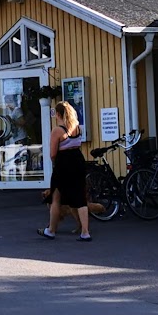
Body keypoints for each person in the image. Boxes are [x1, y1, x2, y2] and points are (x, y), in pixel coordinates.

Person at [40, 100, 90, 241]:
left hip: (64, 161)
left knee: (56, 197)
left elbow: (53, 153)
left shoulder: (58, 130)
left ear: (59, 114)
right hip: (78, 160)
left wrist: (54, 163)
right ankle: (85, 232)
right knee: (80, 197)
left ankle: (51, 230)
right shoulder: (77, 127)